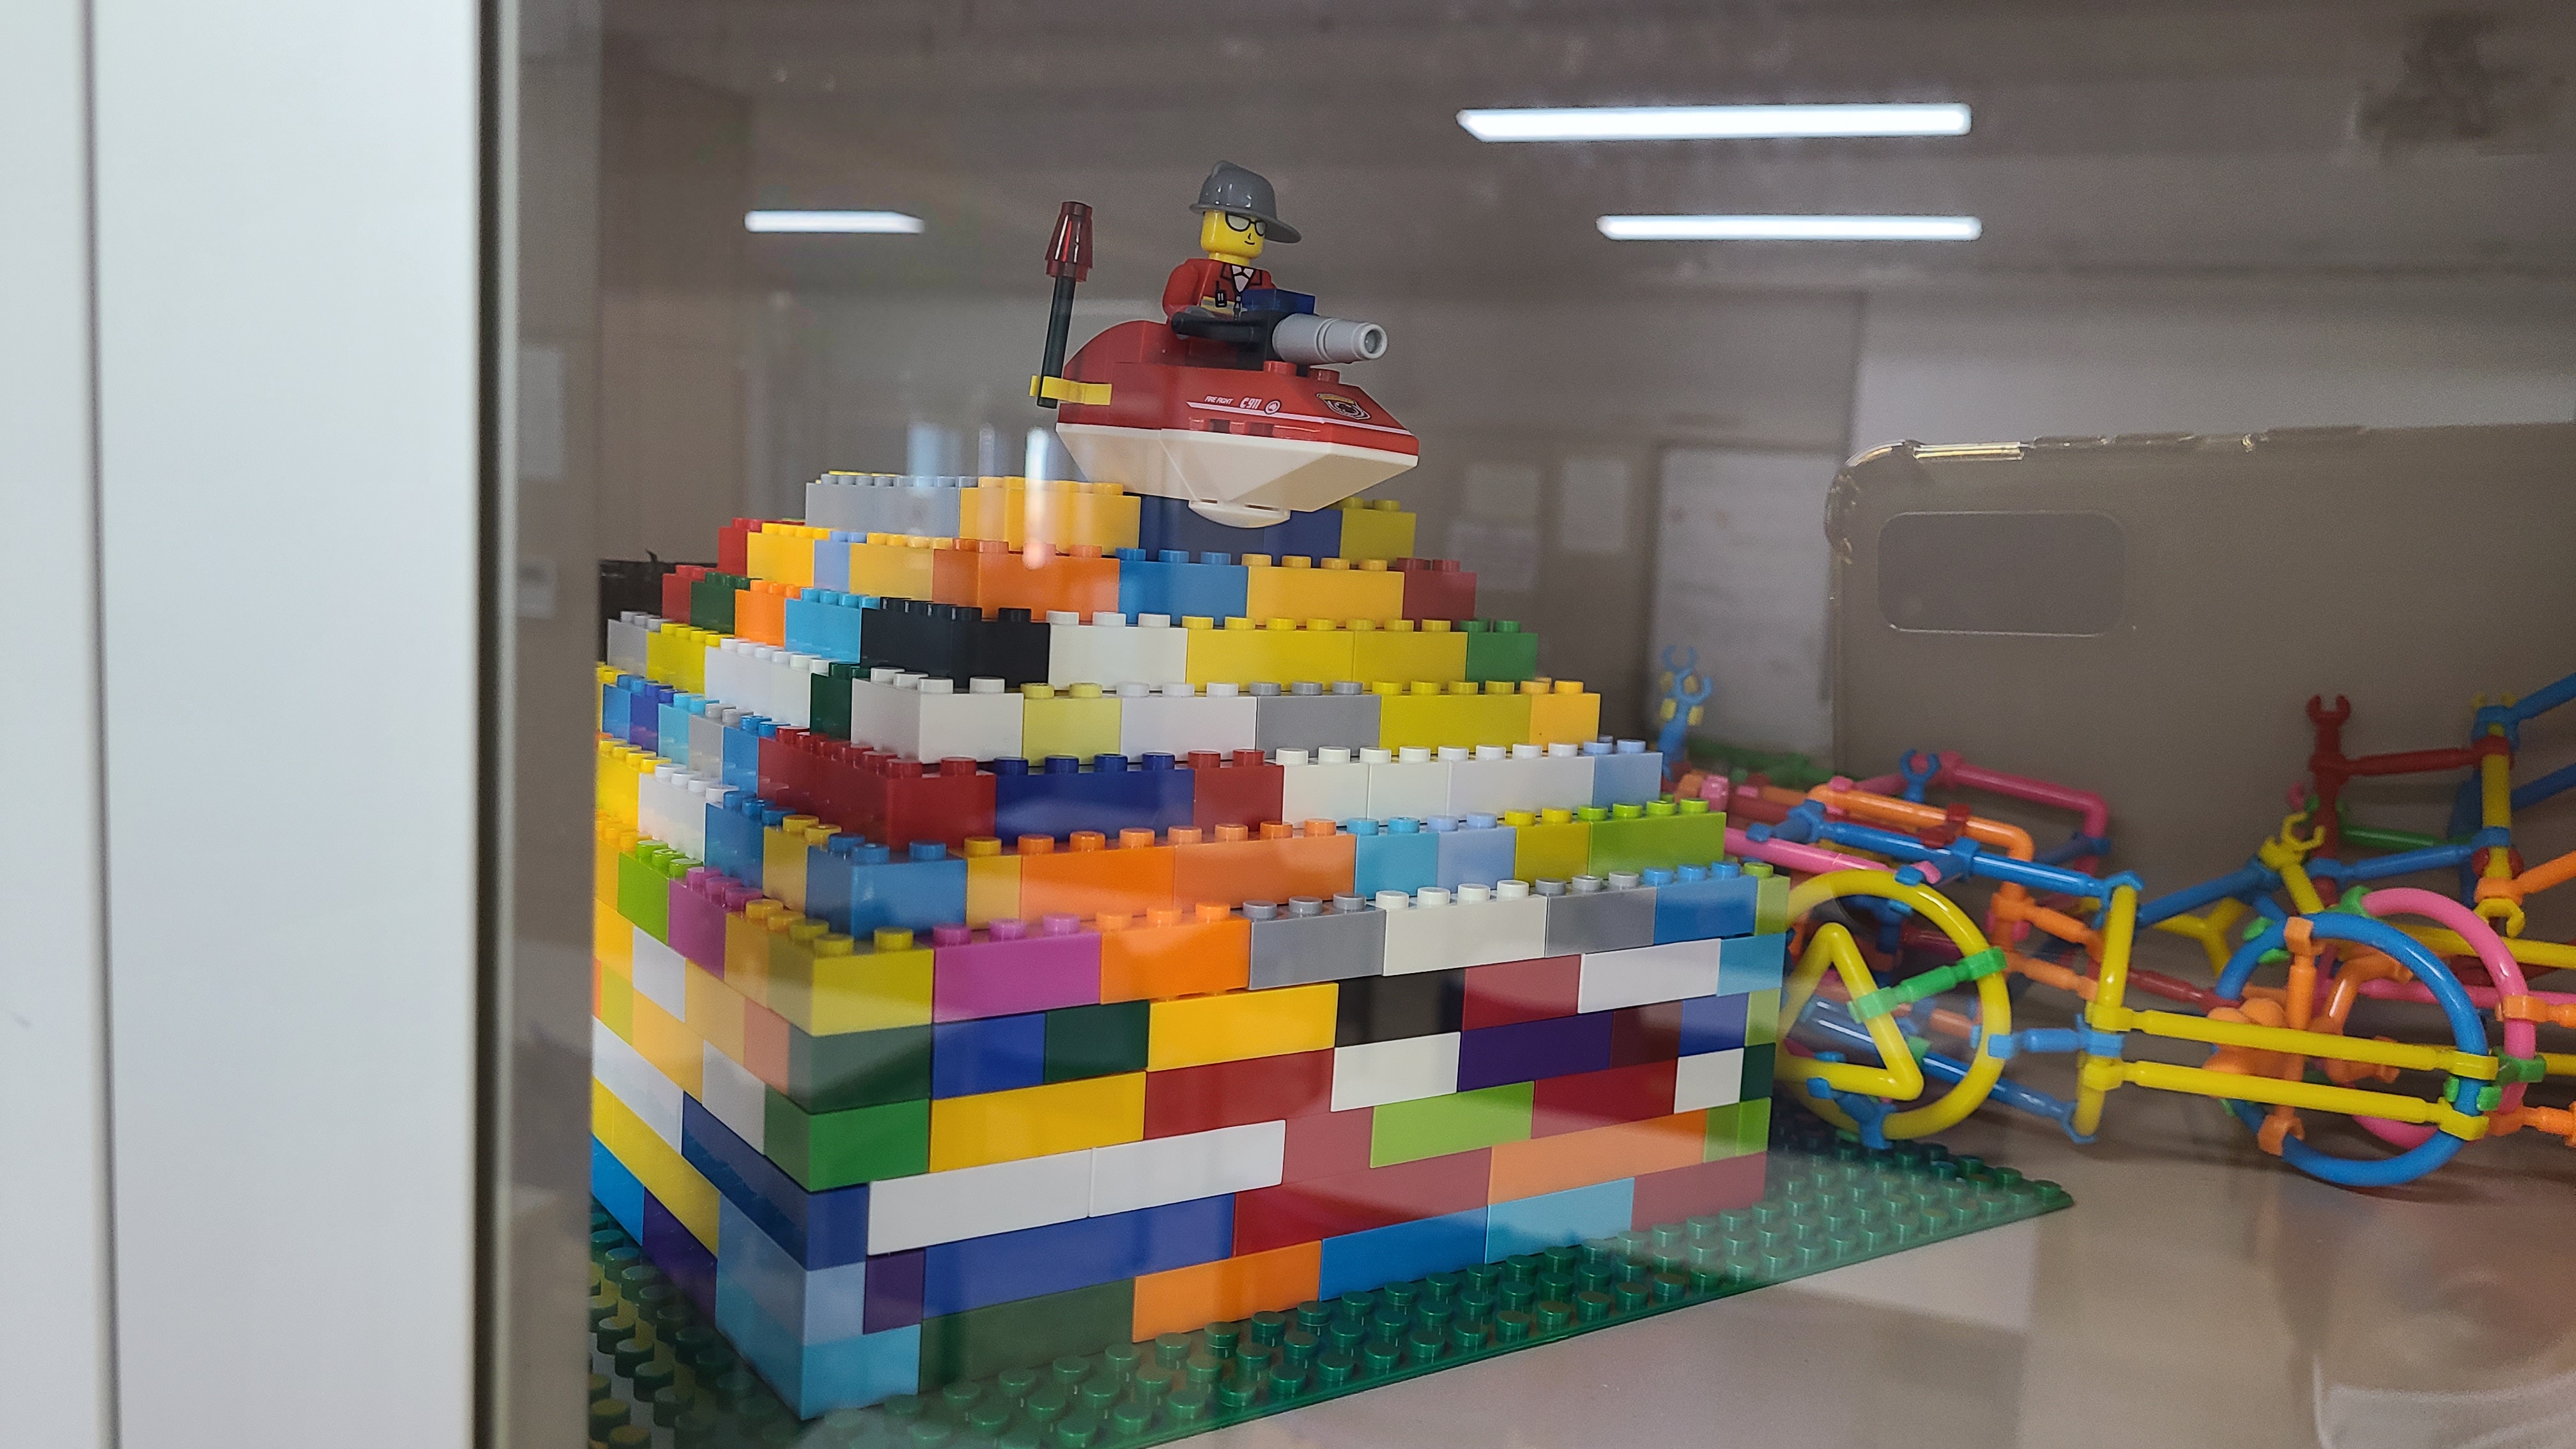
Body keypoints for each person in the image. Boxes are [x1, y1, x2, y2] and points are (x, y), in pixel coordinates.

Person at [1160, 161, 1300, 321]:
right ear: (1209, 222)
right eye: (1239, 222)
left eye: (1259, 227)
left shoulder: (1262, 282)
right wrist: (1192, 315)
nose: (1250, 234)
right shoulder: (1191, 271)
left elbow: (1275, 310)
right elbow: (1174, 305)